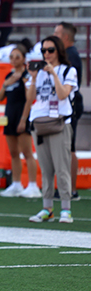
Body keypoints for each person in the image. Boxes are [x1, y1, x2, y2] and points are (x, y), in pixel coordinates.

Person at [23, 36, 78, 223]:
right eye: (44, 51)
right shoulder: (38, 73)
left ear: (59, 51)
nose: (46, 54)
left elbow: (63, 94)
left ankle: (66, 209)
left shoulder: (68, 70)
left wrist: (53, 74)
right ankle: (47, 208)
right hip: (39, 122)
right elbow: (30, 99)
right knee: (45, 169)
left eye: (50, 50)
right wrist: (33, 77)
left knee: (62, 168)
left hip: (59, 122)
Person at [0, 42, 41, 199]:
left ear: (24, 59)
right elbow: (0, 97)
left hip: (22, 115)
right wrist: (6, 84)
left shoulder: (26, 77)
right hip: (9, 116)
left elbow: (29, 99)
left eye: (17, 57)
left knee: (27, 152)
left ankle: (32, 185)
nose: (13, 60)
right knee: (13, 152)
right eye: (11, 57)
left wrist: (24, 119)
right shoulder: (9, 76)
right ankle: (16, 184)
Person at [55, 21, 83, 200]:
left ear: (65, 37)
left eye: (57, 34)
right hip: (70, 104)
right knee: (67, 147)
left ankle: (71, 189)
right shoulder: (70, 55)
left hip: (70, 105)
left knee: (68, 147)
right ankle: (69, 189)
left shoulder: (70, 57)